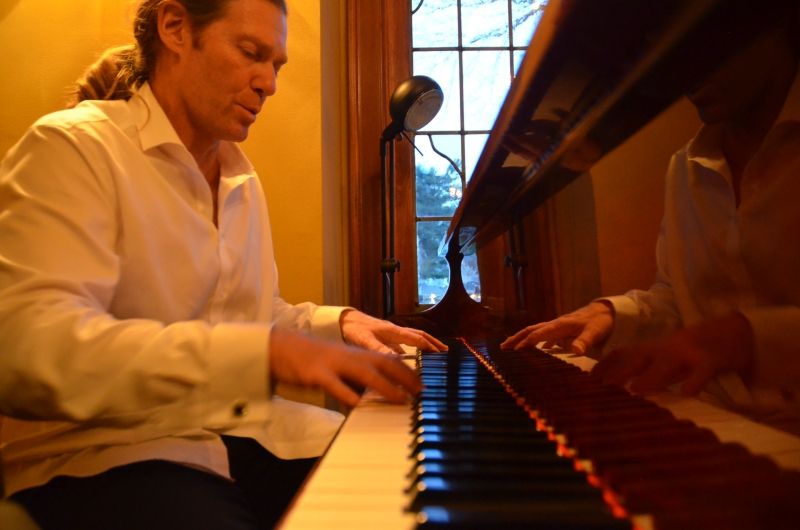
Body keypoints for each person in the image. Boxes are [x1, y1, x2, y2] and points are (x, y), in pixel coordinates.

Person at [0, 1, 446, 528]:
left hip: (232, 431)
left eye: (276, 65)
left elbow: (250, 316)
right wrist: (260, 354)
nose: (269, 84)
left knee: (405, 484)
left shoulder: (240, 177)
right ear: (175, 28)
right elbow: (29, 347)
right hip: (103, 455)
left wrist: (339, 324)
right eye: (251, 53)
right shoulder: (74, 147)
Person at [502, 15, 800, 433]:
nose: (685, 71)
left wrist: (743, 338)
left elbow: (713, 331)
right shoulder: (685, 166)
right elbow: (679, 299)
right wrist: (611, 313)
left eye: (702, 38)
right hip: (713, 417)